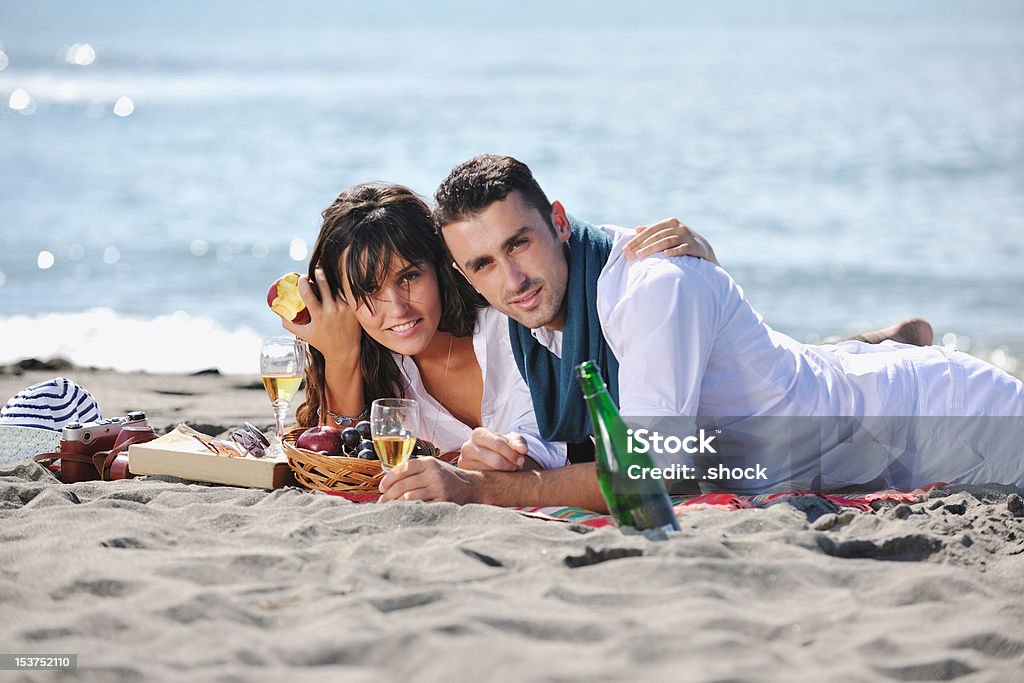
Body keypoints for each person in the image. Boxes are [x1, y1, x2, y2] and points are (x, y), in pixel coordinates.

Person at [377, 154, 1024, 505]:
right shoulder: (529, 323)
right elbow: (581, 442)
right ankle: (889, 340)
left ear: (560, 221)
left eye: (520, 243)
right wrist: (514, 454)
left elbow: (654, 473)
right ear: (463, 271)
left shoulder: (653, 287)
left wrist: (487, 489)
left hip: (950, 422)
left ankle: (896, 346)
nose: (511, 278)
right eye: (483, 263)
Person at [280, 183, 715, 472]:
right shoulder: (384, 370)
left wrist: (690, 265)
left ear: (444, 268)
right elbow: (338, 459)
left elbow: (575, 260)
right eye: (368, 291)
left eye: (409, 276)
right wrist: (341, 356)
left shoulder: (515, 322)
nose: (395, 307)